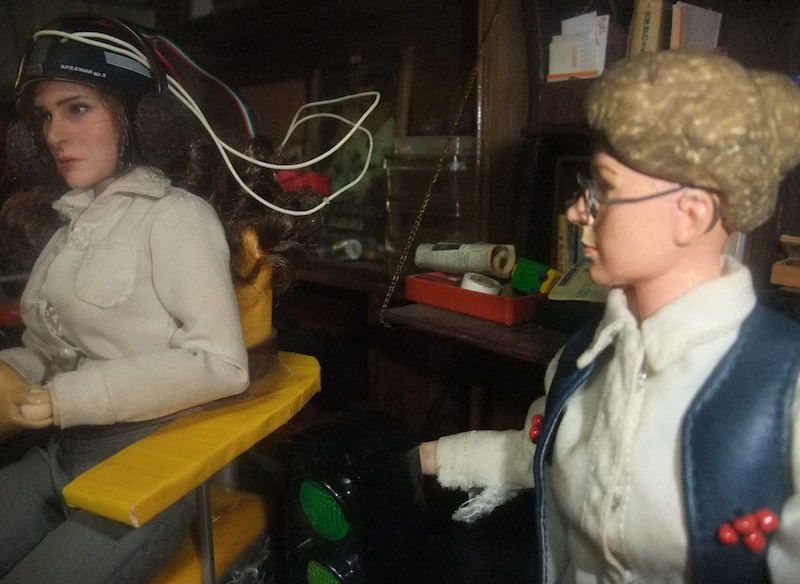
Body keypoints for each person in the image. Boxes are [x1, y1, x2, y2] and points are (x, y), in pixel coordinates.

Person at [420, 49, 800, 583]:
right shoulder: (582, 357)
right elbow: (539, 455)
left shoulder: (785, 391)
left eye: (605, 189)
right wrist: (428, 458)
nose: (578, 210)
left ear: (691, 214)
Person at [0, 15, 319, 584]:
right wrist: (13, 372)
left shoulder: (175, 219)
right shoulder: (69, 230)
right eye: (44, 116)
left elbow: (220, 364)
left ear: (141, 118)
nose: (53, 134)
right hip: (59, 456)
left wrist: (67, 397)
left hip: (148, 469)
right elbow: (50, 348)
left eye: (77, 109)